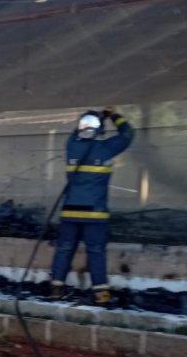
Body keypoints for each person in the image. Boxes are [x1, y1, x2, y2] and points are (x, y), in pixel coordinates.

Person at [50, 107, 134, 305]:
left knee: (64, 249)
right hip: (95, 215)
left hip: (70, 212)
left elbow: (77, 132)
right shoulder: (107, 148)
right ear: (100, 130)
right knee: (96, 252)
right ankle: (101, 295)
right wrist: (113, 116)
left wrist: (94, 118)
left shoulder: (72, 145)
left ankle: (56, 290)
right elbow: (128, 134)